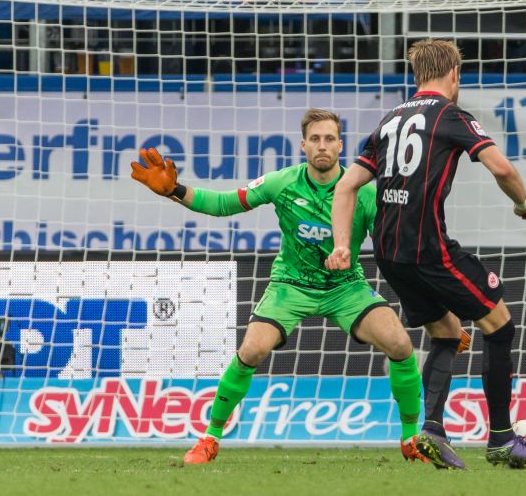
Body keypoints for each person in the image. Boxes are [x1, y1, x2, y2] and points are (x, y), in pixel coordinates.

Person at [131, 108, 426, 465]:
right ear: (303, 145)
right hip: (291, 285)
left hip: (345, 287)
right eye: (315, 139)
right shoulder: (282, 182)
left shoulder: (364, 193)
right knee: (252, 350)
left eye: (329, 139)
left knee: (399, 343)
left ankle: (411, 438)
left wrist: (437, 312)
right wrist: (174, 190)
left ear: (340, 145)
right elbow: (224, 203)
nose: (322, 146)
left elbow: (396, 249)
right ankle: (210, 438)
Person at [326, 39, 526, 469]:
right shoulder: (450, 114)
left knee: (448, 333)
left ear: (417, 76)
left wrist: (342, 244)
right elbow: (502, 168)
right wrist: (523, 204)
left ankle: (431, 429)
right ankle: (503, 439)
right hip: (428, 250)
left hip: (389, 253)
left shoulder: (390, 119)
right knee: (499, 325)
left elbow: (345, 186)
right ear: (453, 75)